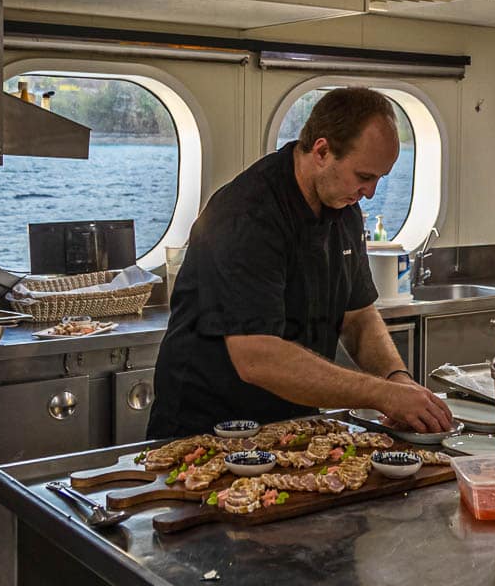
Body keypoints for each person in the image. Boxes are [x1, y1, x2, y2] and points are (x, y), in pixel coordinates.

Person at [148, 87, 453, 438]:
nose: (370, 193)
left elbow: (358, 318)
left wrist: (397, 380)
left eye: (379, 179)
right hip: (208, 430)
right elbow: (257, 357)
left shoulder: (344, 209)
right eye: (365, 176)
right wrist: (382, 395)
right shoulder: (247, 213)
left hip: (289, 426)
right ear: (322, 151)